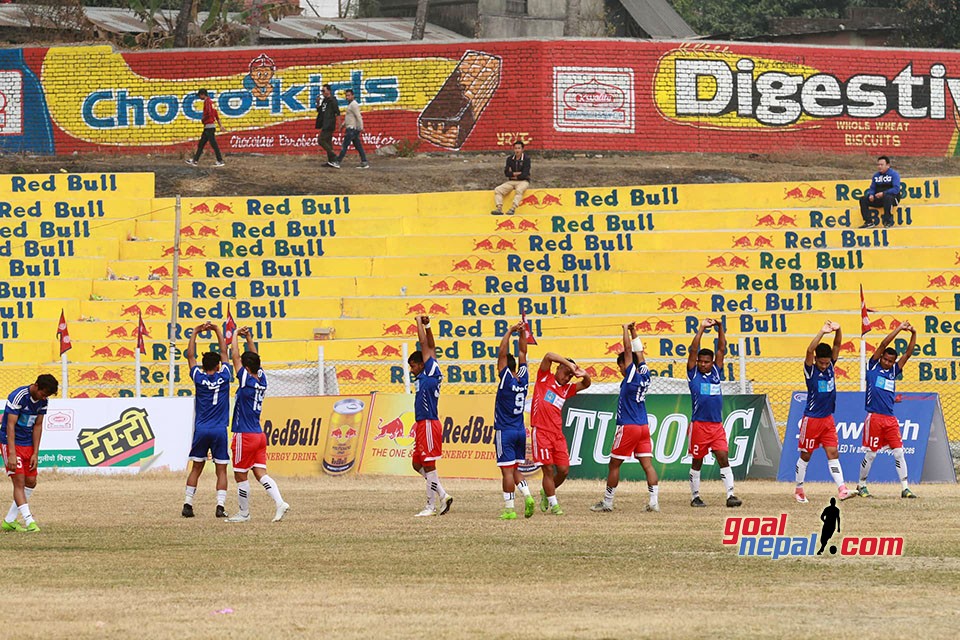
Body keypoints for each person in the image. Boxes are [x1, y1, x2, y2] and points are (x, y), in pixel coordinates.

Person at [592, 323, 659, 513]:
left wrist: (624, 329)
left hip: (628, 426)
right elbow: (640, 352)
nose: (620, 369)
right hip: (643, 426)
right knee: (647, 465)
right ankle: (654, 501)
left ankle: (608, 501)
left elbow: (629, 350)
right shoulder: (645, 375)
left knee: (614, 464)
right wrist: (634, 331)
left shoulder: (631, 375)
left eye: (620, 365)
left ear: (625, 364)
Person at [225, 327, 289, 522]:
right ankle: (280, 503)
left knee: (240, 475)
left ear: (246, 368)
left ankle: (244, 513)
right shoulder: (261, 379)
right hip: (259, 434)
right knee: (260, 473)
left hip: (244, 434)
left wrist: (234, 335)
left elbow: (235, 357)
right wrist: (249, 338)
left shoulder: (246, 380)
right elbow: (254, 358)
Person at [856, 322, 918, 499]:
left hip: (890, 419)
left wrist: (913, 333)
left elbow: (909, 353)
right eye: (886, 359)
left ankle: (905, 488)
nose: (888, 363)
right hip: (874, 417)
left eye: (891, 361)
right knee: (871, 453)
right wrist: (899, 329)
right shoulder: (873, 366)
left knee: (899, 452)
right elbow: (883, 344)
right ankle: (861, 485)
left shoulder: (893, 371)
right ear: (881, 357)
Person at [795, 321, 855, 504]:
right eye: (821, 362)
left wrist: (839, 329)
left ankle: (842, 489)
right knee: (806, 455)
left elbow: (837, 345)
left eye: (826, 362)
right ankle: (799, 490)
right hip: (812, 419)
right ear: (816, 361)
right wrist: (822, 331)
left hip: (827, 419)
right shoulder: (810, 370)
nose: (824, 366)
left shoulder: (830, 366)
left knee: (833, 453)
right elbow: (809, 350)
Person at [687, 318, 741, 508]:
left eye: (706, 362)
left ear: (711, 363)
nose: (703, 364)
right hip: (699, 425)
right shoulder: (693, 374)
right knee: (697, 461)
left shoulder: (717, 372)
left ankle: (731, 495)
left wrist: (720, 328)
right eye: (700, 361)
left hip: (716, 425)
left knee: (723, 457)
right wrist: (701, 328)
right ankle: (695, 496)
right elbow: (693, 350)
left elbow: (721, 349)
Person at [531, 351, 591, 515]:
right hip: (541, 432)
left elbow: (586, 384)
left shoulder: (567, 389)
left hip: (557, 435)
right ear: (558, 368)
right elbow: (548, 355)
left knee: (564, 470)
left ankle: (546, 491)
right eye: (566, 373)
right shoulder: (544, 378)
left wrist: (584, 374)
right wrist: (569, 363)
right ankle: (554, 504)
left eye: (570, 376)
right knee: (548, 470)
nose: (567, 378)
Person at [182, 322, 232, 519]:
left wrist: (194, 331)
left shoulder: (198, 377)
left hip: (201, 429)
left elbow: (191, 356)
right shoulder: (225, 375)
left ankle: (188, 504)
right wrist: (218, 331)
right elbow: (225, 351)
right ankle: (220, 506)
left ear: (203, 366)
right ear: (219, 365)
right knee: (221, 469)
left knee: (196, 467)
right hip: (219, 429)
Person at [407, 315, 453, 517]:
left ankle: (430, 506)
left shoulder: (430, 372)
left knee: (429, 464)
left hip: (428, 422)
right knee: (417, 463)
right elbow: (431, 345)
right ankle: (443, 494)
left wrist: (418, 322)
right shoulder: (431, 369)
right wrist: (428, 325)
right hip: (421, 423)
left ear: (422, 364)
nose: (412, 369)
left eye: (414, 365)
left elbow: (425, 344)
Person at [1, 374, 57, 532]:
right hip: (10, 442)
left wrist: (35, 453)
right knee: (18, 481)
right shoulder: (18, 396)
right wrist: (11, 453)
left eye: (47, 395)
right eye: (43, 393)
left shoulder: (43, 401)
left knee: (31, 482)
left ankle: (10, 520)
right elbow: (10, 426)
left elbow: (38, 426)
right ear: (36, 386)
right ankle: (29, 521)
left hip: (27, 444)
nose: (44, 397)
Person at [493, 321, 535, 520]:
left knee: (506, 472)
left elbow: (502, 353)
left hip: (505, 431)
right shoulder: (523, 378)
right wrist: (523, 333)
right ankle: (527, 496)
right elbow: (523, 354)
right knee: (516, 468)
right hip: (520, 430)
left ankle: (509, 509)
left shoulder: (505, 379)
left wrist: (510, 331)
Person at [329, 89, 368, 169]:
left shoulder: (354, 105)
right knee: (358, 146)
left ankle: (338, 161)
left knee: (345, 145)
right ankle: (364, 162)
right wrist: (343, 125)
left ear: (353, 96)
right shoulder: (351, 105)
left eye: (349, 95)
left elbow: (358, 116)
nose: (347, 97)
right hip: (351, 128)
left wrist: (361, 127)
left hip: (352, 129)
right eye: (346, 95)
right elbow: (349, 117)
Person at [185, 88, 225, 167]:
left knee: (213, 144)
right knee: (201, 144)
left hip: (209, 127)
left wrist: (203, 119)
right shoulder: (211, 103)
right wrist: (220, 125)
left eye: (200, 95)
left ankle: (220, 160)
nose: (200, 97)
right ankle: (195, 160)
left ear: (203, 94)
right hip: (209, 127)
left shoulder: (207, 102)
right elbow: (216, 115)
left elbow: (209, 113)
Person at [858, 155, 900, 229]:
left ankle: (887, 221)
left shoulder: (894, 174)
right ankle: (869, 222)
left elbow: (896, 189)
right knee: (863, 199)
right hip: (879, 198)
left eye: (882, 165)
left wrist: (883, 193)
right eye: (878, 165)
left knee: (887, 197)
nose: (879, 167)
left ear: (888, 165)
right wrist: (871, 194)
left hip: (892, 198)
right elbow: (872, 188)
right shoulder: (876, 176)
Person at [491, 141, 530, 215]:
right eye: (515, 148)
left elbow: (525, 174)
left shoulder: (526, 159)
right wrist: (517, 174)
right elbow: (506, 173)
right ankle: (499, 208)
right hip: (511, 181)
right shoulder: (509, 159)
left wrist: (513, 174)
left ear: (522, 149)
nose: (517, 150)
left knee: (519, 190)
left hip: (523, 181)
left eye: (519, 148)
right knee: (498, 190)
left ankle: (513, 208)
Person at [315, 84, 340, 165]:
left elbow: (337, 112)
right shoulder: (325, 100)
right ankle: (332, 161)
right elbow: (320, 110)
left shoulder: (332, 100)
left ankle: (333, 155)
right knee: (328, 142)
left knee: (321, 140)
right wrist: (318, 102)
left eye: (324, 91)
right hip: (324, 123)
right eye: (322, 91)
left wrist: (339, 124)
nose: (322, 93)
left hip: (329, 124)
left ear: (329, 91)